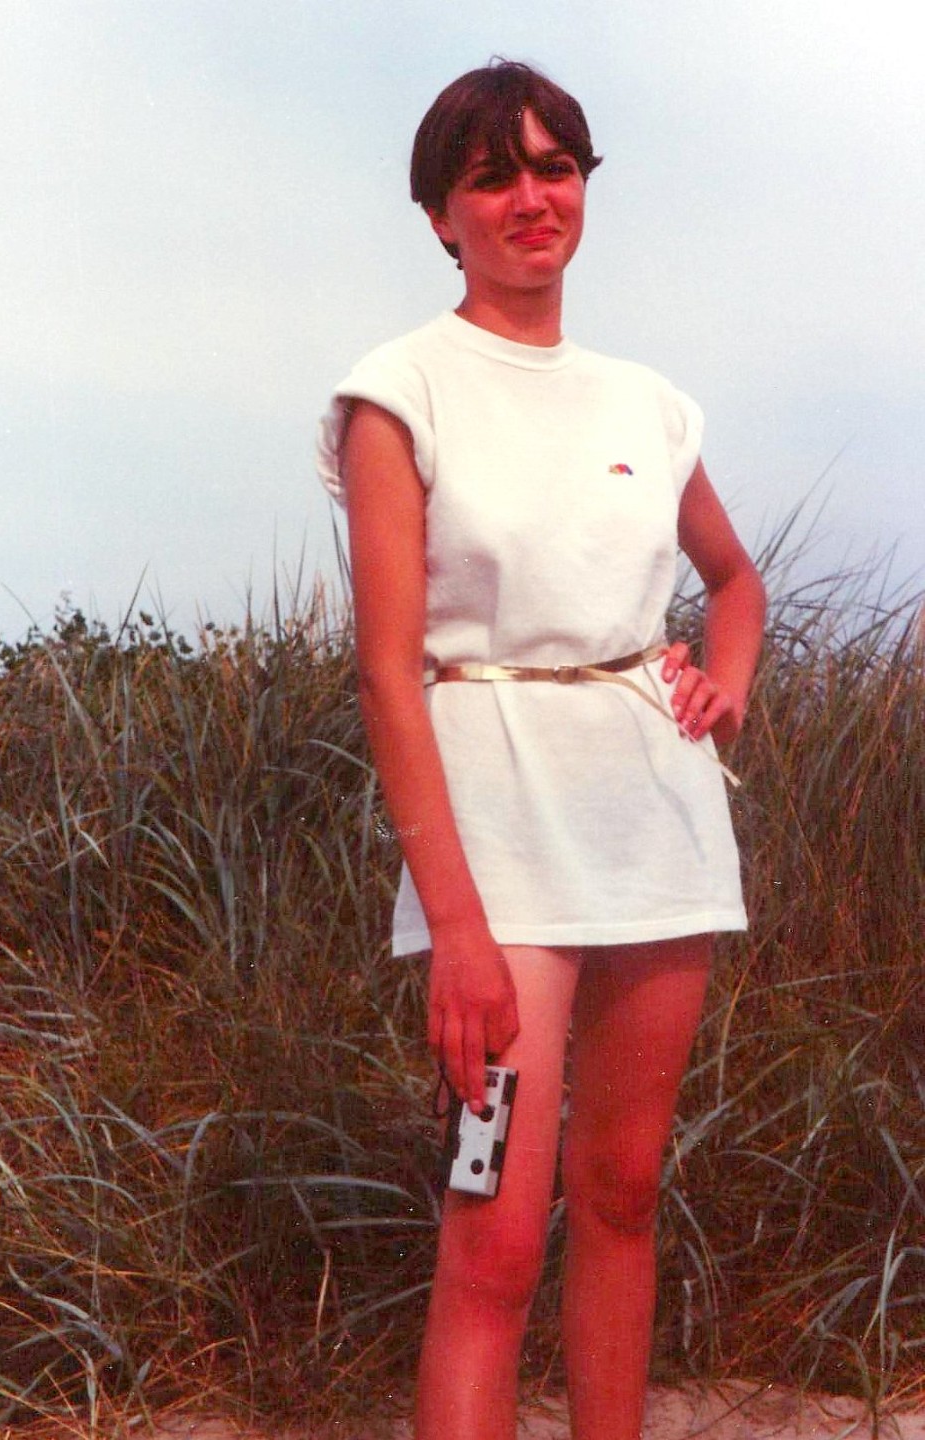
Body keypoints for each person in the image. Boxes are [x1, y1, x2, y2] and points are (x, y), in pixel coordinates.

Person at [317, 59, 765, 1440]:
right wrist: (455, 925)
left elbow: (736, 583)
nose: (531, 199)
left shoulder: (648, 401)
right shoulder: (399, 390)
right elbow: (389, 673)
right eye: (492, 176)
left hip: (656, 823)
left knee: (622, 1194)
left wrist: (726, 689)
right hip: (495, 845)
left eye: (555, 167)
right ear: (440, 215)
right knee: (496, 1231)